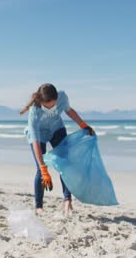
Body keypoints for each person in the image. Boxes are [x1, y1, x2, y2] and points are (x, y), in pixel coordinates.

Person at [21, 83, 94, 214]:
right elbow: (36, 142)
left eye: (53, 105)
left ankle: (67, 201)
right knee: (40, 169)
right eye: (47, 106)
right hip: (39, 136)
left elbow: (69, 111)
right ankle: (39, 207)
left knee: (65, 164)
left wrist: (83, 124)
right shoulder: (34, 112)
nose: (51, 108)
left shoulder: (62, 97)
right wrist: (44, 168)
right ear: (41, 102)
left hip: (56, 129)